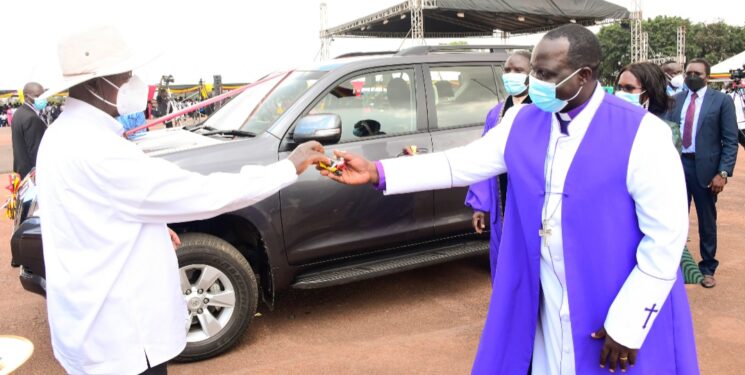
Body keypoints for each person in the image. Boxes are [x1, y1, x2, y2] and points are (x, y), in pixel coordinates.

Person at [321, 24, 697, 374]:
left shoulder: (641, 133)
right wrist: (378, 173)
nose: (535, 83)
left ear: (584, 76)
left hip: (611, 296)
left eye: (547, 75)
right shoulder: (523, 121)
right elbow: (462, 163)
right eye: (535, 71)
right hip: (545, 289)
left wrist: (629, 324)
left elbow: (665, 237)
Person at [35, 26, 327, 375]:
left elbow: (95, 217)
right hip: (121, 340)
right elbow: (203, 194)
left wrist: (151, 230)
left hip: (93, 328)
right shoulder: (98, 150)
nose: (134, 82)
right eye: (125, 76)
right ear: (99, 84)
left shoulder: (63, 134)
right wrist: (287, 169)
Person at [615, 62, 707, 285]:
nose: (620, 93)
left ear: (649, 93)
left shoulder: (664, 131)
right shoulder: (610, 126)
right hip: (616, 216)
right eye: (619, 87)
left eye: (629, 89)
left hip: (646, 218)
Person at [665, 58, 738, 289]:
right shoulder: (675, 101)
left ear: (707, 76)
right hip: (677, 167)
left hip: (706, 170)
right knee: (675, 220)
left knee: (707, 220)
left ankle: (707, 267)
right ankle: (674, 266)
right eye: (688, 73)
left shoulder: (722, 101)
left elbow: (730, 140)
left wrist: (723, 172)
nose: (692, 77)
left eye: (697, 73)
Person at [464, 49, 532, 283]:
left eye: (519, 70)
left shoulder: (543, 110)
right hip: (503, 202)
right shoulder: (496, 113)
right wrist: (479, 206)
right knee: (504, 264)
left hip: (532, 200)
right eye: (508, 70)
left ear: (532, 74)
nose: (511, 75)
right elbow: (483, 159)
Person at [11, 82, 48, 178]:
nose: (42, 98)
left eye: (43, 95)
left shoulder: (19, 113)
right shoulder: (32, 118)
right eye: (37, 95)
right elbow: (36, 151)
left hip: (21, 170)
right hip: (32, 174)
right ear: (27, 97)